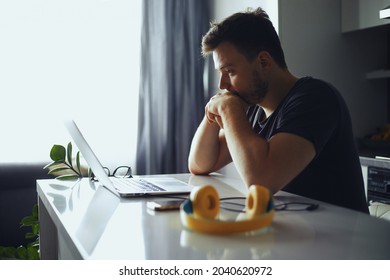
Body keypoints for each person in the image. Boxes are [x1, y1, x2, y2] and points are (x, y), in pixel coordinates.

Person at [188, 7, 369, 213]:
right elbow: (199, 164)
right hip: (297, 234)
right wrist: (211, 114)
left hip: (341, 239)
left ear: (264, 62)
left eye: (229, 71)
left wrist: (228, 110)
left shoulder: (315, 98)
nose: (222, 84)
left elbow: (261, 181)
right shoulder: (253, 109)